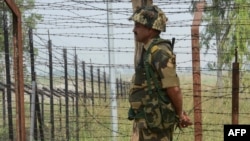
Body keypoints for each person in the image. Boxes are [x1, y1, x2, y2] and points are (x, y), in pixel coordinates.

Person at [128, 5, 192, 141]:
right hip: (148, 121)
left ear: (151, 29)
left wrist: (180, 114)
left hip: (156, 125)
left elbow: (173, 88)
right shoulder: (149, 50)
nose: (134, 30)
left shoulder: (160, 52)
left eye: (138, 25)